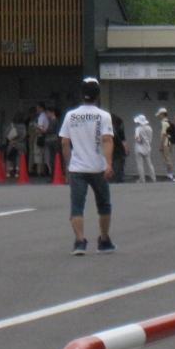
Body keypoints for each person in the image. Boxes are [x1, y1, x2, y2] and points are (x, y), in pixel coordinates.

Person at [58, 77, 115, 255]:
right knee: (104, 205)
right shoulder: (103, 116)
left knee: (77, 206)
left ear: (81, 94)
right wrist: (109, 164)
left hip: (77, 168)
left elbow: (65, 142)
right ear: (98, 95)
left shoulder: (71, 115)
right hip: (98, 167)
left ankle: (80, 242)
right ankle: (104, 240)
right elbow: (107, 140)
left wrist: (68, 165)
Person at [132, 113, 156, 182]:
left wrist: (139, 141)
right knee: (149, 163)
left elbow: (137, 138)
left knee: (140, 164)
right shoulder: (149, 128)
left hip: (139, 148)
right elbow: (150, 138)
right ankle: (153, 178)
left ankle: (142, 179)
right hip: (147, 147)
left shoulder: (138, 129)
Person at [5, 112, 27, 178]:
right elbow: (24, 135)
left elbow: (6, 134)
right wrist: (19, 140)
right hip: (20, 144)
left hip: (11, 143)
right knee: (19, 158)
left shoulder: (11, 125)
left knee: (9, 158)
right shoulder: (23, 126)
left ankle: (8, 172)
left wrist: (11, 140)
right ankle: (17, 172)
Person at [156, 108, 175, 180]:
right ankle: (169, 174)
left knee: (167, 159)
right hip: (168, 142)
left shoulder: (164, 123)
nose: (159, 116)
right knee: (167, 158)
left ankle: (170, 174)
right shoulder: (168, 122)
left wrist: (161, 145)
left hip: (165, 143)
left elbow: (164, 135)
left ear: (162, 114)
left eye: (159, 115)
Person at [110, 113, 128, 183]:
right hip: (119, 149)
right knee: (119, 164)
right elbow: (123, 139)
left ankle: (112, 178)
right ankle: (118, 178)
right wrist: (126, 149)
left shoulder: (108, 128)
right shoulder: (118, 128)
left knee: (113, 163)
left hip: (110, 148)